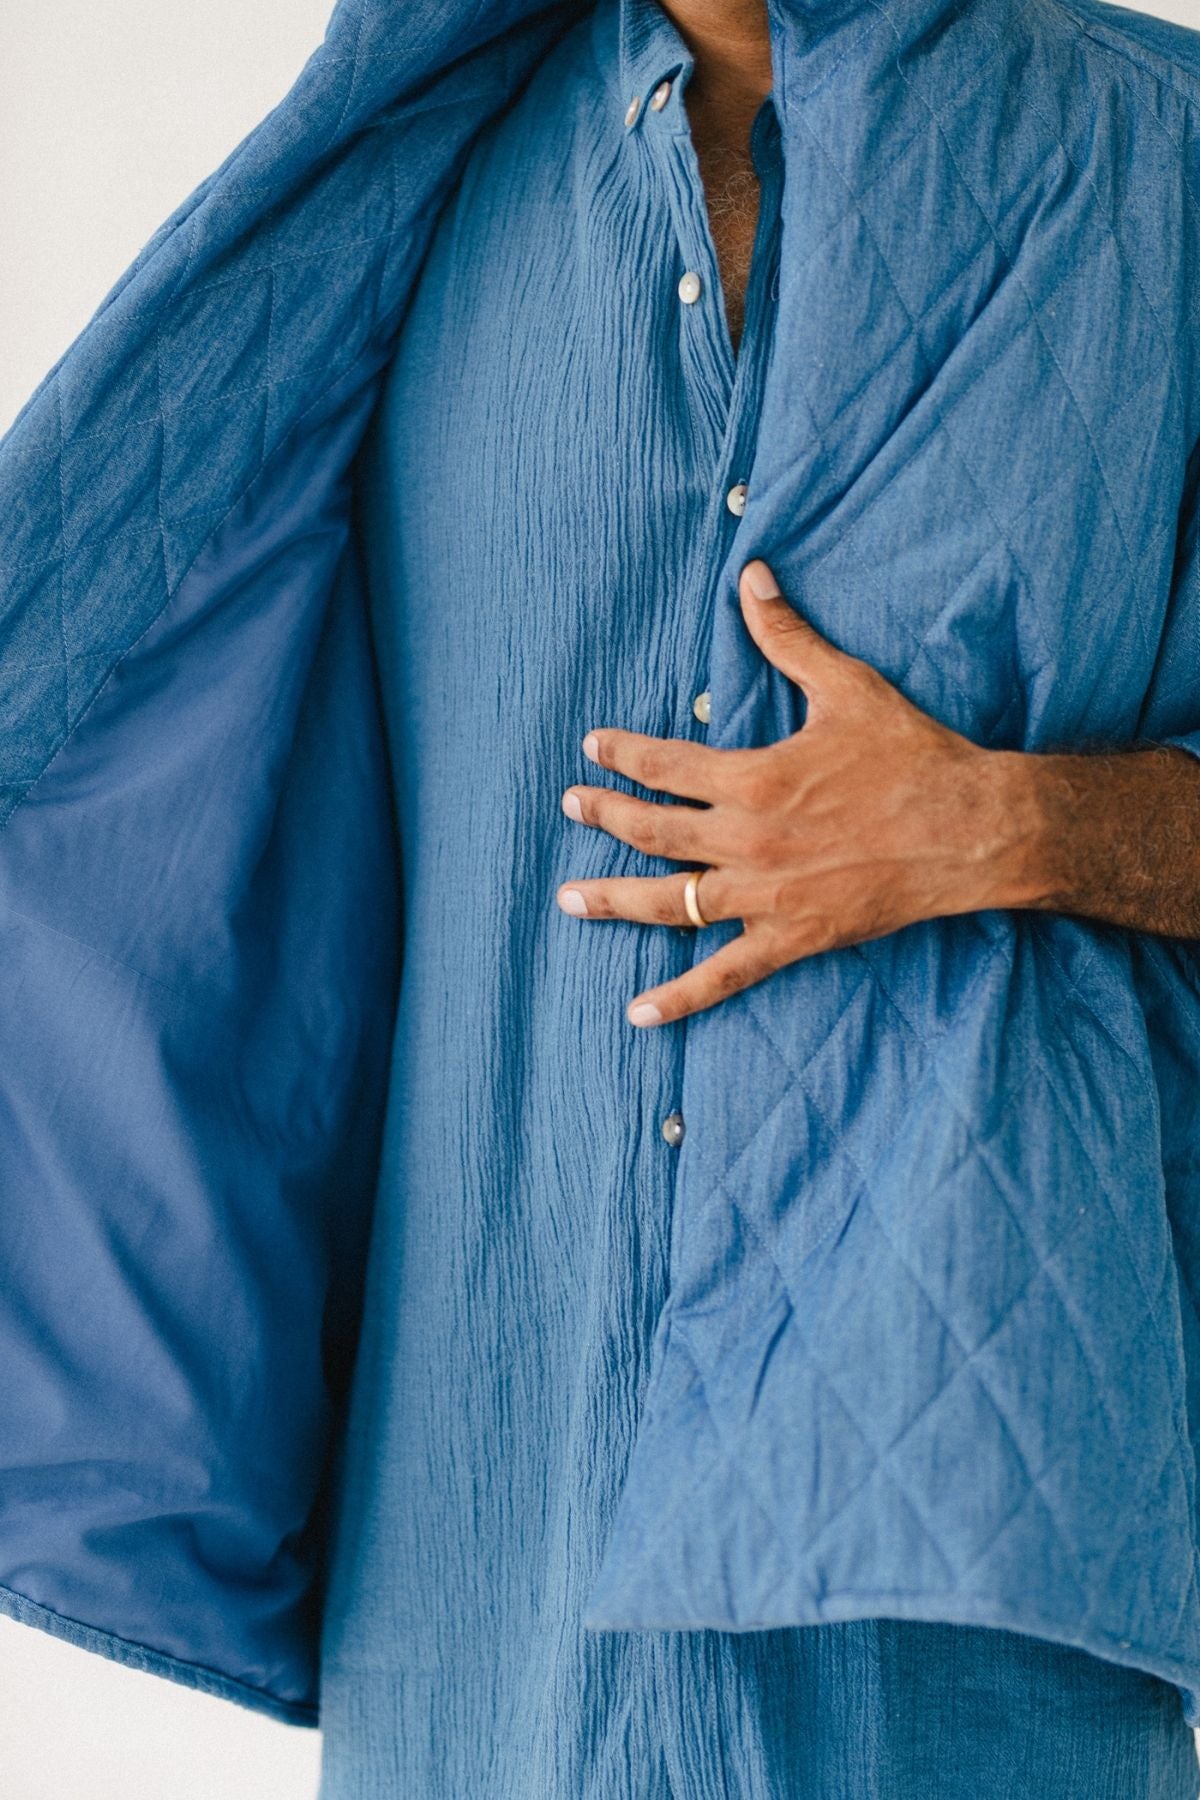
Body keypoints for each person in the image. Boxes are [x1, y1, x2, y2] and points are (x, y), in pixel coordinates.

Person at [4, 0, 1200, 1795]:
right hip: (482, 1596)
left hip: (959, 1610)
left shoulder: (1162, 161)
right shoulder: (398, 193)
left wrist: (1007, 824)